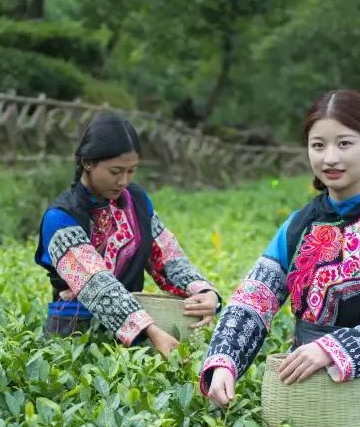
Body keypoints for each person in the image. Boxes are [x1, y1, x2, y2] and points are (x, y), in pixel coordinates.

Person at [199, 89, 360, 427]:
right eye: (318, 145)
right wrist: (223, 361)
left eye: (344, 143)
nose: (330, 158)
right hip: (299, 388)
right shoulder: (299, 224)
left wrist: (331, 348)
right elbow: (254, 298)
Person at [35, 111, 222, 357]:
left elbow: (167, 258)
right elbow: (98, 286)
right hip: (74, 338)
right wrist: (152, 332)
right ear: (87, 162)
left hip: (137, 338)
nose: (124, 180)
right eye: (115, 171)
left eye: (131, 171)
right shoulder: (60, 218)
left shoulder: (137, 201)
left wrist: (205, 293)